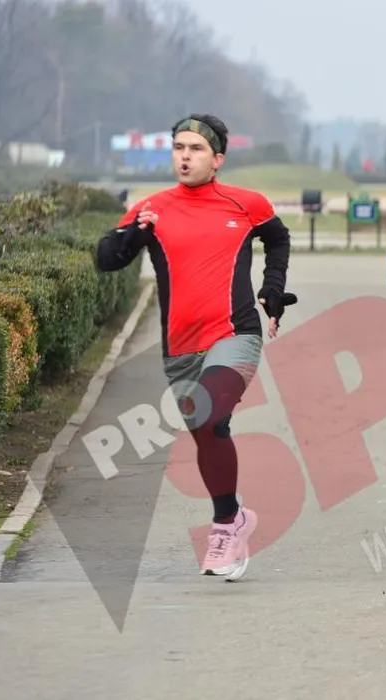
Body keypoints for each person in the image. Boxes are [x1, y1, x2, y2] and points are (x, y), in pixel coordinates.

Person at [95, 113, 296, 582]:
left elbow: (278, 238)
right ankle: (235, 515)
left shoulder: (245, 204)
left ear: (217, 159)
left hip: (234, 334)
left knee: (208, 416)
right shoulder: (152, 208)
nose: (185, 157)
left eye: (196, 149)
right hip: (180, 347)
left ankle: (223, 527)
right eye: (179, 148)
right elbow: (107, 258)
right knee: (207, 434)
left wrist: (271, 288)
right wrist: (134, 234)